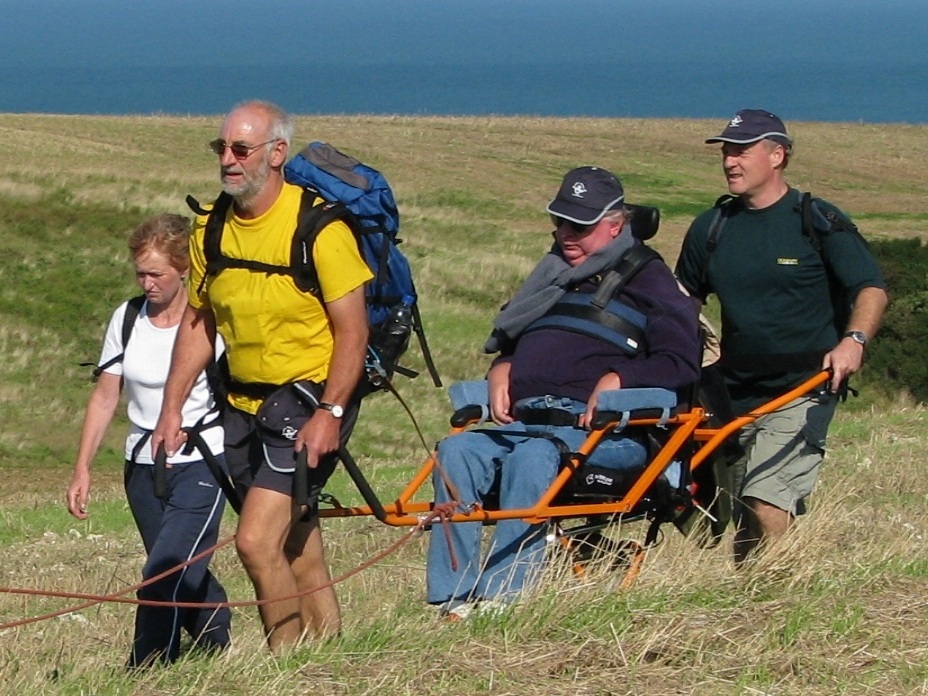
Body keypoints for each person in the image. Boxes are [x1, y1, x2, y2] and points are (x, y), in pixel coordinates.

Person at [426, 166, 701, 619]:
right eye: (560, 222)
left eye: (581, 225)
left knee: (533, 458)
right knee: (456, 452)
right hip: (525, 422)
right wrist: (503, 366)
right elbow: (517, 339)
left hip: (605, 436)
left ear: (616, 226)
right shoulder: (550, 275)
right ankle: (451, 601)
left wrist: (621, 379)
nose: (565, 234)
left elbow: (681, 362)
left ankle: (504, 600)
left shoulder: (650, 279)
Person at [152, 101, 372, 651]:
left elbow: (353, 332)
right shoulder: (211, 230)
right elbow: (200, 323)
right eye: (221, 148)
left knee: (254, 542)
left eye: (241, 149)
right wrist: (172, 407)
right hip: (243, 404)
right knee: (298, 540)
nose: (228, 160)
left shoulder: (319, 229)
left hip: (310, 400)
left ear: (277, 154)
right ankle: (331, 654)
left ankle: (283, 664)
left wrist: (332, 413)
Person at [674, 109, 888, 565]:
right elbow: (683, 302)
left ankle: (775, 596)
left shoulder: (816, 220)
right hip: (731, 394)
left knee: (766, 497)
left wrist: (854, 341)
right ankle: (755, 591)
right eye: (727, 152)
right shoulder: (710, 228)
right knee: (725, 511)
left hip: (804, 386)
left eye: (742, 151)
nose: (731, 161)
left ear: (778, 155)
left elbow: (870, 288)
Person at [66, 213, 231, 667]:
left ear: (183, 269)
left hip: (202, 461)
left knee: (163, 571)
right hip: (141, 466)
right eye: (140, 273)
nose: (147, 283)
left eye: (156, 273)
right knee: (176, 563)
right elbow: (104, 397)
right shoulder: (127, 318)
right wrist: (82, 468)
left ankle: (147, 667)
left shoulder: (212, 320)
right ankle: (216, 637)